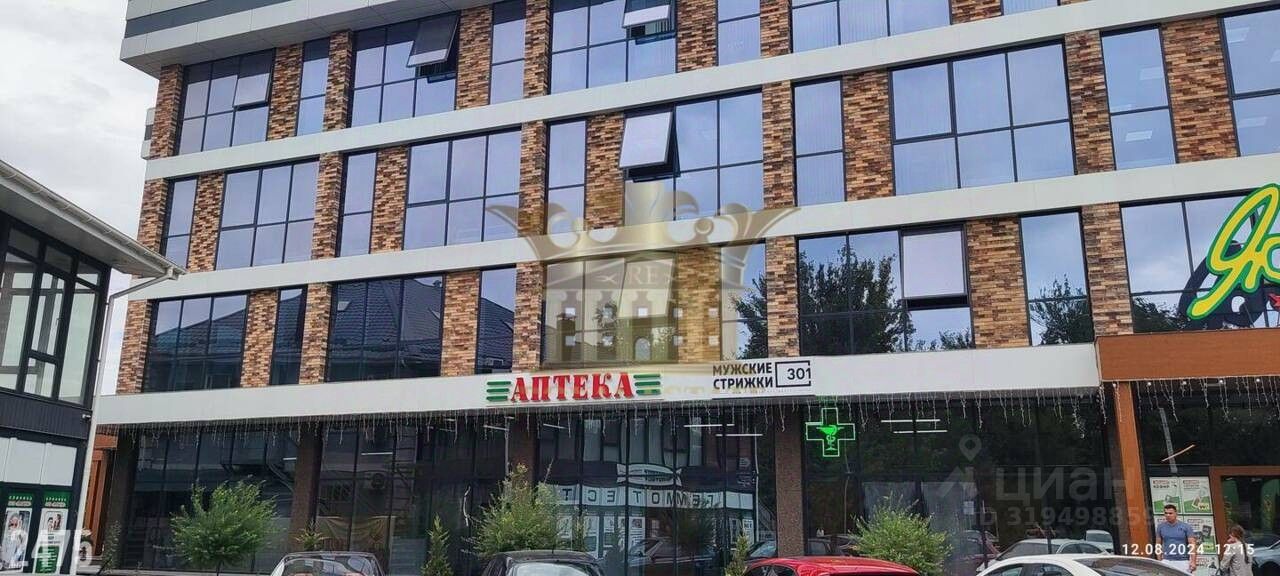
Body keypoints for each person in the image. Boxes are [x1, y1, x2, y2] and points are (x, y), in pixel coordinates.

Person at [1156, 504, 1198, 573]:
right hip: (1167, 560)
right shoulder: (1160, 527)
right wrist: (1159, 561)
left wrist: (1193, 561)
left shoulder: (1186, 527)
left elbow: (1192, 544)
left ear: (1176, 513)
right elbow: (1158, 544)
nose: (1168, 515)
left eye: (1170, 513)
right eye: (1166, 513)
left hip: (1183, 561)